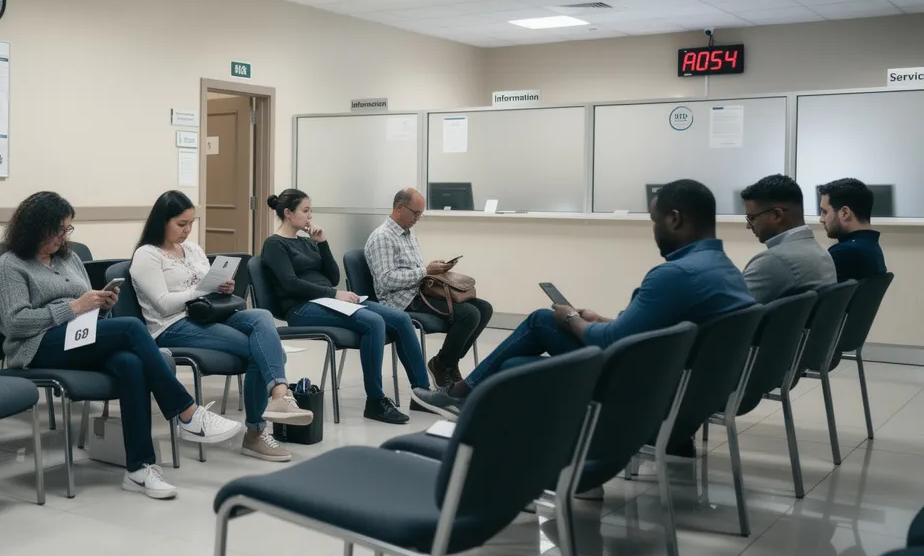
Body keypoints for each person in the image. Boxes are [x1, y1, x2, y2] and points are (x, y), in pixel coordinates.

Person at [413, 179, 756, 448]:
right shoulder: (725, 270)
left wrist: (571, 319)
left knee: (541, 321)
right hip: (682, 387)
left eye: (655, 221)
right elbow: (658, 328)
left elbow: (611, 342)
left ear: (675, 219)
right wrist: (601, 318)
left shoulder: (676, 275)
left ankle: (463, 397)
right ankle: (466, 396)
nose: (653, 231)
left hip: (641, 388)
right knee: (514, 364)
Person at [0, 191, 241, 500]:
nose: (62, 236)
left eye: (67, 229)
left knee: (130, 364)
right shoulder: (10, 265)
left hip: (81, 334)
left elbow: (86, 305)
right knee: (132, 328)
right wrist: (73, 308)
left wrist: (102, 305)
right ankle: (186, 412)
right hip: (37, 346)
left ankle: (139, 469)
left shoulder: (68, 258)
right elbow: (15, 323)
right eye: (57, 229)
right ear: (35, 227)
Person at [130, 191, 312, 463]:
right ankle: (256, 432)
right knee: (262, 352)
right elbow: (164, 305)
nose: (187, 230)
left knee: (261, 317)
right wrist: (199, 291)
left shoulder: (192, 249)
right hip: (172, 324)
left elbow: (207, 288)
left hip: (208, 313)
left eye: (191, 223)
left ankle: (278, 395)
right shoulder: (147, 256)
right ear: (161, 221)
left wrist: (221, 287)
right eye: (181, 224)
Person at [261, 188, 432, 425]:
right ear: (288, 213)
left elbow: (331, 276)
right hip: (301, 308)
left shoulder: (307, 241)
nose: (310, 216)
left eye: (311, 210)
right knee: (373, 322)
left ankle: (422, 392)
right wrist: (334, 294)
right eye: (306, 210)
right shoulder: (274, 244)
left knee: (400, 319)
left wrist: (322, 244)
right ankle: (375, 400)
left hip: (328, 300)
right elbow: (290, 284)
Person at [366, 187, 493, 390]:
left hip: (420, 293)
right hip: (402, 301)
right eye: (415, 213)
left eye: (420, 213)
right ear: (399, 208)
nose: (418, 218)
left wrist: (433, 270)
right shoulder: (383, 237)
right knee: (468, 314)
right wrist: (425, 271)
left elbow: (416, 271)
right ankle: (443, 364)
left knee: (484, 308)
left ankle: (448, 363)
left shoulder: (408, 234)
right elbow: (385, 281)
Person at [739, 174, 835, 303]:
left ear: (777, 215)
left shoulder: (772, 261)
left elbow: (731, 317)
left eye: (751, 218)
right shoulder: (821, 252)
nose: (748, 226)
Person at [817, 178, 887, 282]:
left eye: (824, 212)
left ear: (845, 213)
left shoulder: (842, 253)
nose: (821, 219)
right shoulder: (872, 247)